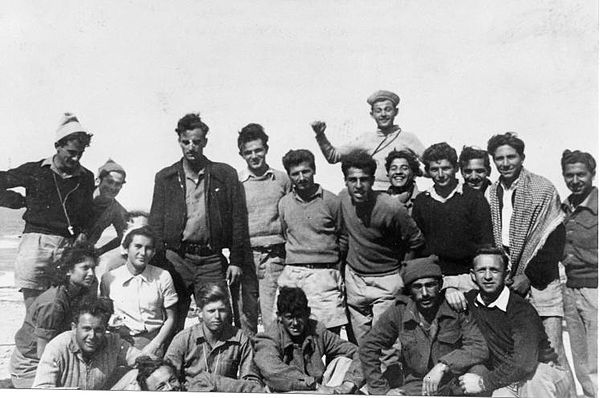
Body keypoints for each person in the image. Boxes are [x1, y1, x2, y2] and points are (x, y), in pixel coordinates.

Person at [486, 132, 576, 396]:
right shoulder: (492, 192)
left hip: (541, 280)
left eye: (510, 156)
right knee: (523, 352)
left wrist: (528, 275)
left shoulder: (542, 188)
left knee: (552, 352)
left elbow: (553, 239)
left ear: (522, 157)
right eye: (499, 158)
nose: (505, 163)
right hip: (509, 280)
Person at [149, 113, 253, 334]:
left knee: (219, 316)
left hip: (211, 259)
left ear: (205, 142)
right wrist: (160, 262)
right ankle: (172, 367)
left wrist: (235, 260)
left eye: (196, 142)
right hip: (176, 259)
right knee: (173, 319)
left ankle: (221, 367)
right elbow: (155, 223)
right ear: (179, 142)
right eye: (186, 142)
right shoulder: (165, 177)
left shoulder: (223, 174)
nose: (191, 147)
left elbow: (238, 219)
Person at [0, 113, 95, 308]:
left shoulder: (86, 177)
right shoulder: (35, 170)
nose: (76, 158)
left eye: (80, 153)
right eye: (71, 152)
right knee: (34, 309)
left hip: (68, 247)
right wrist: (20, 201)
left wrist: (83, 234)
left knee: (61, 308)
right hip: (35, 244)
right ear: (57, 146)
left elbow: (87, 215)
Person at [360, 256, 488, 396]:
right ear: (409, 290)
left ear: (440, 285)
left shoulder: (456, 306)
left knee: (479, 373)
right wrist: (382, 391)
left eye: (430, 285)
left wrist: (444, 365)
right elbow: (368, 347)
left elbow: (479, 347)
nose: (425, 293)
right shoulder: (400, 311)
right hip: (419, 385)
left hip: (456, 379)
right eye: (417, 287)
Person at [459, 247, 571, 397]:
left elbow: (524, 363)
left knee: (536, 379)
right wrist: (449, 289)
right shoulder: (472, 300)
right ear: (473, 275)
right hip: (510, 378)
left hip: (541, 374)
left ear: (506, 274)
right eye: (481, 270)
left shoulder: (520, 309)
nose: (487, 276)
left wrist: (482, 383)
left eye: (494, 270)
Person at [339, 150, 425, 344]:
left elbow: (416, 240)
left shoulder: (391, 208)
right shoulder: (342, 199)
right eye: (353, 180)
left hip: (386, 280)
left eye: (364, 179)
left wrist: (402, 275)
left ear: (373, 180)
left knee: (386, 344)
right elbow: (344, 235)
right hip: (355, 280)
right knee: (362, 344)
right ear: (345, 181)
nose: (359, 186)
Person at [412, 142, 494, 311]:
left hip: (469, 279)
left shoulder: (474, 199)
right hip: (435, 280)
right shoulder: (422, 202)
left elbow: (485, 243)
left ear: (456, 168)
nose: (441, 175)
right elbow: (418, 248)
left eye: (446, 168)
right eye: (435, 169)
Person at [9, 244, 98, 388]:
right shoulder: (53, 303)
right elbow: (42, 353)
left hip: (53, 356)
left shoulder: (79, 291)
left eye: (93, 268)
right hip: (30, 365)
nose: (91, 273)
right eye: (85, 268)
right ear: (69, 270)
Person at [277, 149, 347, 332]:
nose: (301, 177)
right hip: (294, 275)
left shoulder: (332, 201)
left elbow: (343, 237)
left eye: (305, 171)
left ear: (314, 170)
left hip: (324, 276)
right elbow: (286, 233)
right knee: (292, 334)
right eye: (295, 174)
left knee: (330, 335)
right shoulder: (284, 203)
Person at [253, 286, 364, 394]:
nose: (295, 323)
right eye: (289, 317)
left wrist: (349, 383)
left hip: (319, 390)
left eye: (299, 316)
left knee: (344, 361)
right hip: (287, 391)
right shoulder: (270, 337)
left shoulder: (317, 330)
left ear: (308, 313)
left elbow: (358, 352)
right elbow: (273, 372)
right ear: (279, 317)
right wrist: (314, 386)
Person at [311, 90, 426, 191]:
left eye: (388, 110)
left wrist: (416, 171)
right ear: (372, 114)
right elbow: (333, 156)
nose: (383, 114)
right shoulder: (366, 139)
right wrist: (320, 135)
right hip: (375, 196)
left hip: (404, 195)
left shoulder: (409, 138)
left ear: (396, 112)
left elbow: (433, 165)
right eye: (378, 111)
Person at [237, 123, 290, 330]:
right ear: (241, 154)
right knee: (245, 318)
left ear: (266, 149)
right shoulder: (237, 182)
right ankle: (248, 362)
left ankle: (274, 360)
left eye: (258, 150)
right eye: (248, 152)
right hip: (246, 258)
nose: (254, 156)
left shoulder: (282, 179)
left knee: (273, 317)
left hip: (274, 257)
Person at [164, 282, 263, 392]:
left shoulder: (240, 338)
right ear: (199, 312)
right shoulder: (183, 339)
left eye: (222, 310)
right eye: (211, 311)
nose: (217, 316)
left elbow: (251, 379)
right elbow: (167, 376)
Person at [32, 296, 143, 389]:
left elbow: (145, 360)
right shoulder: (57, 347)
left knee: (137, 376)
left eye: (98, 330)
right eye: (86, 329)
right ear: (74, 328)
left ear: (105, 329)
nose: (92, 336)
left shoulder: (113, 342)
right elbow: (41, 390)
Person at [100, 226, 177, 356]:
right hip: (119, 342)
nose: (143, 252)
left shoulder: (163, 276)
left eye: (148, 248)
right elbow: (104, 314)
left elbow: (171, 318)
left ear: (153, 253)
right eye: (138, 246)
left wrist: (154, 346)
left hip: (152, 341)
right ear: (126, 249)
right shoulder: (109, 278)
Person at [560, 149, 598, 397]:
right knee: (579, 356)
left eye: (581, 175)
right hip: (570, 288)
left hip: (595, 290)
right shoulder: (565, 206)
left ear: (592, 174)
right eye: (569, 175)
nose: (575, 180)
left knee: (597, 357)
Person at [87, 159, 128, 256]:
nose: (113, 187)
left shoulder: (117, 210)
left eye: (118, 184)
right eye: (109, 182)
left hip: (81, 254)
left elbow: (124, 236)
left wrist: (100, 251)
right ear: (97, 180)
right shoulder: (82, 195)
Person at [384, 148, 422, 214]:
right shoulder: (379, 200)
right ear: (388, 174)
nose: (398, 172)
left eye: (404, 168)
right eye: (393, 168)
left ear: (414, 173)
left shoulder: (423, 201)